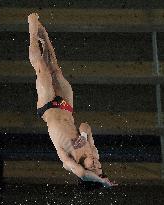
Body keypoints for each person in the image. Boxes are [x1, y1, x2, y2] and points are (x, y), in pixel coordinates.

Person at [28, 13, 116, 187]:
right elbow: (85, 126)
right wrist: (83, 139)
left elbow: (83, 174)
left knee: (41, 69)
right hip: (64, 106)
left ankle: (31, 30)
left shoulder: (70, 162)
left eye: (95, 168)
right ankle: (43, 36)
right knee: (54, 67)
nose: (97, 163)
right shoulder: (92, 153)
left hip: (48, 108)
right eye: (100, 166)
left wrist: (101, 181)